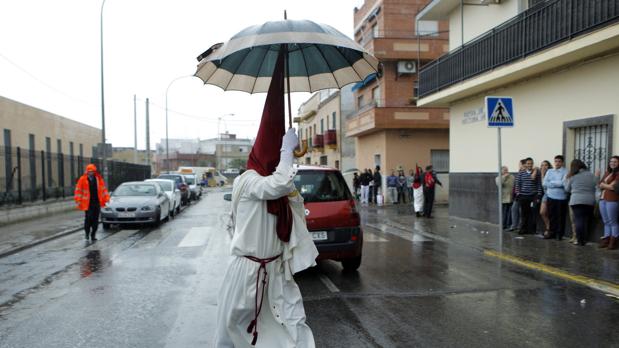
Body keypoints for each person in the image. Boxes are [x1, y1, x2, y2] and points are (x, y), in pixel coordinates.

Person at [215, 49, 317, 347]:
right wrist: (286, 152)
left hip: (274, 273)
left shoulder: (274, 183)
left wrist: (288, 160)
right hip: (247, 274)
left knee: (290, 331)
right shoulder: (247, 181)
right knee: (238, 336)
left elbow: (292, 201)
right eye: (273, 156)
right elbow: (274, 187)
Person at [563, 159, 597, 246]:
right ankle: (584, 239)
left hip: (576, 200)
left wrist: (566, 180)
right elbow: (596, 186)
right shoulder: (591, 175)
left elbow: (567, 189)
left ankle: (579, 240)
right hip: (590, 200)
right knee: (585, 220)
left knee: (578, 220)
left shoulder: (572, 176)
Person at [74, 164, 110, 241]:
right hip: (87, 203)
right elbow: (78, 190)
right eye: (89, 171)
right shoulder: (82, 179)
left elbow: (103, 190)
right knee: (88, 219)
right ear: (87, 171)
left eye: (92, 171)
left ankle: (93, 235)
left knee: (95, 220)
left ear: (94, 172)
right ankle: (87, 233)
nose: (91, 173)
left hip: (96, 202)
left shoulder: (98, 179)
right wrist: (78, 200)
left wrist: (106, 198)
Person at [542, 155, 568, 240]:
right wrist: (557, 183)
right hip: (551, 196)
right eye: (556, 161)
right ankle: (552, 233)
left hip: (561, 198)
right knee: (552, 216)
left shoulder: (566, 171)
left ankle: (559, 235)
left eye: (559, 161)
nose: (557, 163)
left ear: (562, 162)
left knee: (560, 217)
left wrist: (551, 183)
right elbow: (544, 183)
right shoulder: (550, 171)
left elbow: (563, 184)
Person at [515, 157, 543, 235]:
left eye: (531, 163)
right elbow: (518, 184)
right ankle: (523, 229)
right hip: (523, 196)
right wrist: (518, 194)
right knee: (524, 213)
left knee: (533, 213)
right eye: (528, 163)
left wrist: (538, 196)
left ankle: (532, 230)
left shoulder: (537, 173)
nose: (529, 165)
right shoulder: (521, 173)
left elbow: (539, 185)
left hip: (533, 196)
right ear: (525, 164)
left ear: (532, 164)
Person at [597, 156, 619, 250]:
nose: (612, 163)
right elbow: (599, 185)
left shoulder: (618, 174)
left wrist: (604, 185)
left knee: (613, 221)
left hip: (612, 199)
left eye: (615, 161)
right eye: (611, 161)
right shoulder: (607, 172)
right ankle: (606, 239)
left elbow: (614, 188)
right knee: (606, 221)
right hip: (602, 199)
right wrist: (607, 185)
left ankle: (613, 242)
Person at [508, 159, 526, 231]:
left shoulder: (526, 173)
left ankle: (519, 226)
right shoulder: (520, 172)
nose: (519, 166)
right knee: (514, 209)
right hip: (517, 195)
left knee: (521, 211)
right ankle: (514, 225)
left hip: (523, 194)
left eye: (520, 164)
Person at [536, 160, 552, 235]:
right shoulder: (539, 174)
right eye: (542, 165)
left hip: (552, 194)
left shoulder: (551, 173)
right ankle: (548, 227)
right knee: (542, 212)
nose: (544, 167)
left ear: (549, 166)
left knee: (551, 213)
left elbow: (544, 185)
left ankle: (549, 229)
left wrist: (542, 175)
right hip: (545, 195)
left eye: (545, 165)